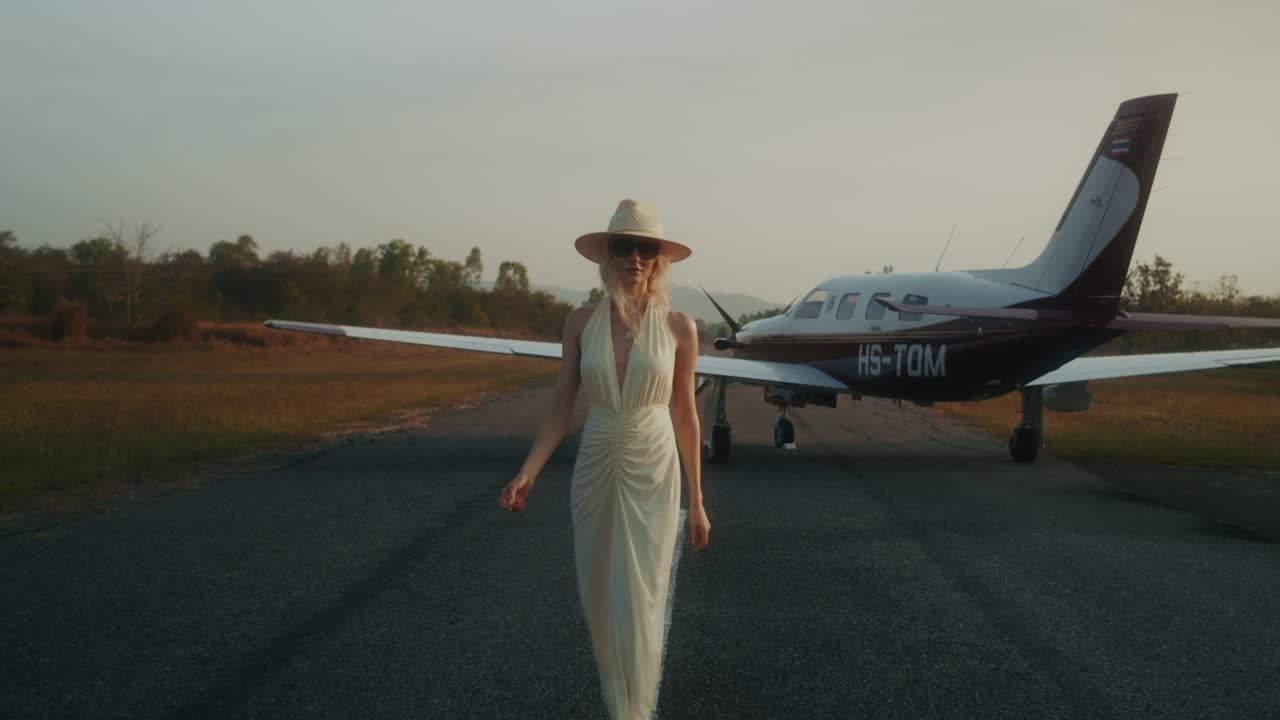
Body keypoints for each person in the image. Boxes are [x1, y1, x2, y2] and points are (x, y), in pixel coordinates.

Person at [499, 199, 711, 719]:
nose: (635, 257)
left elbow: (686, 415)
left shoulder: (681, 327)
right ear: (608, 253)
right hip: (595, 460)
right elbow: (560, 410)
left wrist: (699, 502)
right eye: (624, 246)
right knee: (598, 595)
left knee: (642, 594)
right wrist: (528, 471)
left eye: (646, 248)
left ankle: (633, 712)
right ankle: (618, 701)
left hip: (654, 463)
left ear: (659, 258)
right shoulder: (579, 323)